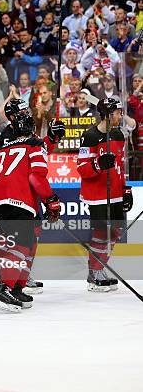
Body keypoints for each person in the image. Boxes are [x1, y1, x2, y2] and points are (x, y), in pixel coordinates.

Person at [0, 99, 61, 313]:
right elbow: (36, 176)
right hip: (19, 200)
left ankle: (15, 286)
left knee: (20, 243)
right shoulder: (31, 143)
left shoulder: (2, 148)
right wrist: (51, 200)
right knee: (21, 244)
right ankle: (3, 287)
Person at [76, 97, 130, 292]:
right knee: (101, 233)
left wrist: (126, 189)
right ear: (107, 114)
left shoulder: (118, 135)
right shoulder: (89, 136)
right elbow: (81, 168)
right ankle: (95, 273)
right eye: (117, 112)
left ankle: (99, 269)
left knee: (116, 232)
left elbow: (120, 165)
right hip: (97, 195)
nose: (120, 115)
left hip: (115, 193)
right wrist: (98, 165)